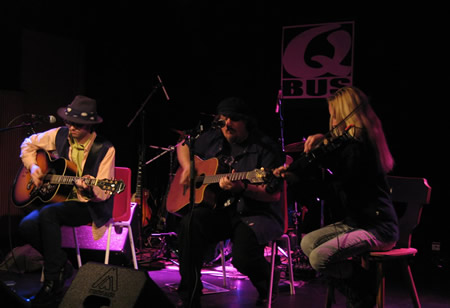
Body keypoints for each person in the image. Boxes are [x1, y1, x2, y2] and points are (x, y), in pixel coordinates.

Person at [274, 86, 399, 307]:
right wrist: (298, 173)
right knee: (307, 242)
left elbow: (334, 185)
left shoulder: (362, 149)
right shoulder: (349, 147)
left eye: (333, 115)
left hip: (378, 227)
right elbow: (332, 183)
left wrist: (302, 173)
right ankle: (360, 281)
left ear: (345, 116)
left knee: (319, 257)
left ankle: (362, 289)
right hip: (355, 223)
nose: (331, 121)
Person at [173, 97, 285, 307]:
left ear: (246, 122)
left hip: (255, 214)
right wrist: (189, 167)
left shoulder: (266, 148)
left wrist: (243, 187)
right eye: (223, 120)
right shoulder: (214, 139)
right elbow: (182, 145)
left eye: (233, 120)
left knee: (242, 257)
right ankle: (189, 296)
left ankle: (268, 281)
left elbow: (273, 195)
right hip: (221, 210)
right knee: (190, 224)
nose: (227, 125)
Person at [18, 95, 115, 307]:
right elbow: (28, 143)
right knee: (26, 226)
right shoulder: (59, 135)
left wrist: (91, 188)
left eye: (77, 125)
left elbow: (106, 190)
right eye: (68, 122)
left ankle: (52, 281)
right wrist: (34, 167)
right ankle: (62, 263)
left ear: (89, 126)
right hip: (61, 199)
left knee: (48, 214)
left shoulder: (105, 148)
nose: (70, 127)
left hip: (88, 205)